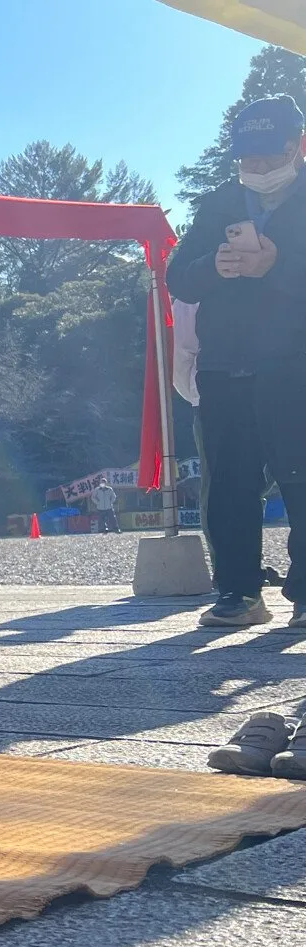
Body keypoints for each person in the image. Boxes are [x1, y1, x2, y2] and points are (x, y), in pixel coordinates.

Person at [167, 95, 306, 629]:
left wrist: (278, 266)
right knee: (228, 484)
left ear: (295, 147)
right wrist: (214, 264)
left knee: (301, 478)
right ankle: (238, 592)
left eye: (269, 158)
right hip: (224, 366)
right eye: (247, 160)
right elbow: (178, 277)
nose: (257, 170)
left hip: (294, 365)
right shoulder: (220, 201)